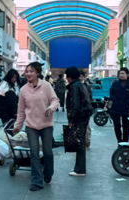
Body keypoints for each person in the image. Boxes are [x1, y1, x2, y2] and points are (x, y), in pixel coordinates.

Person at [14, 62, 59, 191]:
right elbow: (21, 110)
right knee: (34, 154)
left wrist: (51, 108)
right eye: (27, 71)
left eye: (31, 71)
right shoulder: (23, 90)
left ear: (38, 73)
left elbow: (55, 100)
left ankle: (48, 173)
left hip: (46, 125)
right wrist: (18, 126)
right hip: (31, 125)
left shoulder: (46, 86)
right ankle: (36, 181)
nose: (28, 74)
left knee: (47, 152)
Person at [66, 66, 93, 177]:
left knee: (79, 144)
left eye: (67, 76)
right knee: (80, 143)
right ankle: (78, 167)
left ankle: (80, 170)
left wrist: (71, 119)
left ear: (69, 77)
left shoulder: (74, 87)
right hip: (84, 116)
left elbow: (75, 104)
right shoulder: (80, 85)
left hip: (79, 118)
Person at [109, 68, 129, 143]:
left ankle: (125, 142)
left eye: (123, 73)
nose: (121, 75)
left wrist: (127, 103)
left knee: (126, 127)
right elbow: (111, 93)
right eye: (120, 74)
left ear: (127, 75)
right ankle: (120, 142)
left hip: (126, 109)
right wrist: (115, 101)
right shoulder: (115, 84)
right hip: (115, 108)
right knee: (117, 126)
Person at [79, 71, 93, 148]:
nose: (80, 78)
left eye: (81, 76)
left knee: (87, 127)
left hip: (86, 110)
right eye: (79, 76)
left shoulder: (87, 86)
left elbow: (90, 98)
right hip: (79, 109)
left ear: (84, 77)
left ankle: (87, 141)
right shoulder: (75, 86)